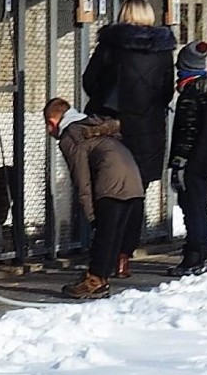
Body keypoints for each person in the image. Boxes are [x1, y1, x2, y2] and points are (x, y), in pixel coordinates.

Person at [82, 0, 176, 278]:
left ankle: (104, 257)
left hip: (115, 128)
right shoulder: (163, 51)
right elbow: (167, 91)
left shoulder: (111, 45)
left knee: (109, 194)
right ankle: (125, 256)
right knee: (137, 195)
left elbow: (90, 81)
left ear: (124, 14)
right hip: (148, 131)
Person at [44, 97, 145, 299]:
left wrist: (90, 214)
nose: (48, 131)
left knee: (103, 234)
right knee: (112, 234)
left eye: (47, 125)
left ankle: (95, 280)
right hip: (133, 181)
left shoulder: (71, 135)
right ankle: (101, 280)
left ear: (53, 122)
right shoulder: (92, 126)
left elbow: (81, 178)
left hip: (111, 182)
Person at [167, 41, 207, 276]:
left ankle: (193, 258)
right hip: (206, 161)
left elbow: (186, 133)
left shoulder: (190, 96)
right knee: (201, 208)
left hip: (192, 162)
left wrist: (179, 162)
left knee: (192, 209)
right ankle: (203, 255)